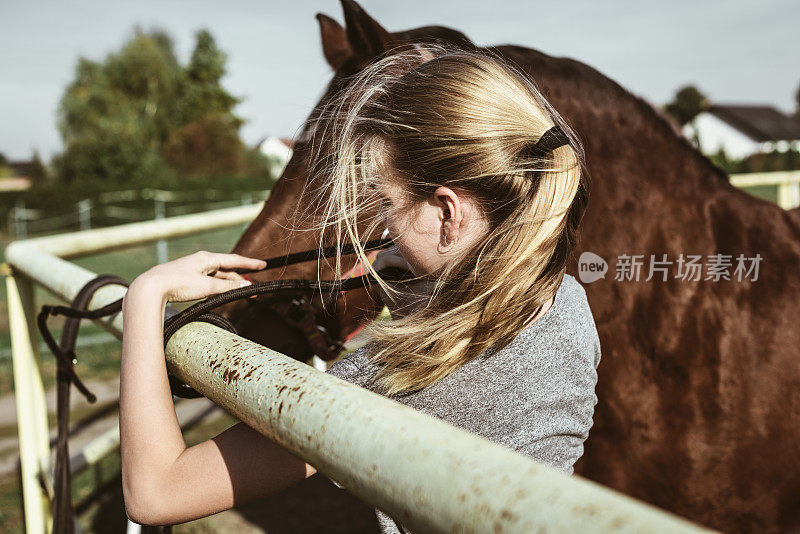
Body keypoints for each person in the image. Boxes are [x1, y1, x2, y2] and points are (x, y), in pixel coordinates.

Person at [119, 44, 601, 532]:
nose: (386, 232)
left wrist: (144, 298)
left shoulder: (395, 376)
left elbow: (156, 492)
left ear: (449, 213)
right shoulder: (569, 306)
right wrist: (418, 278)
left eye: (387, 203)